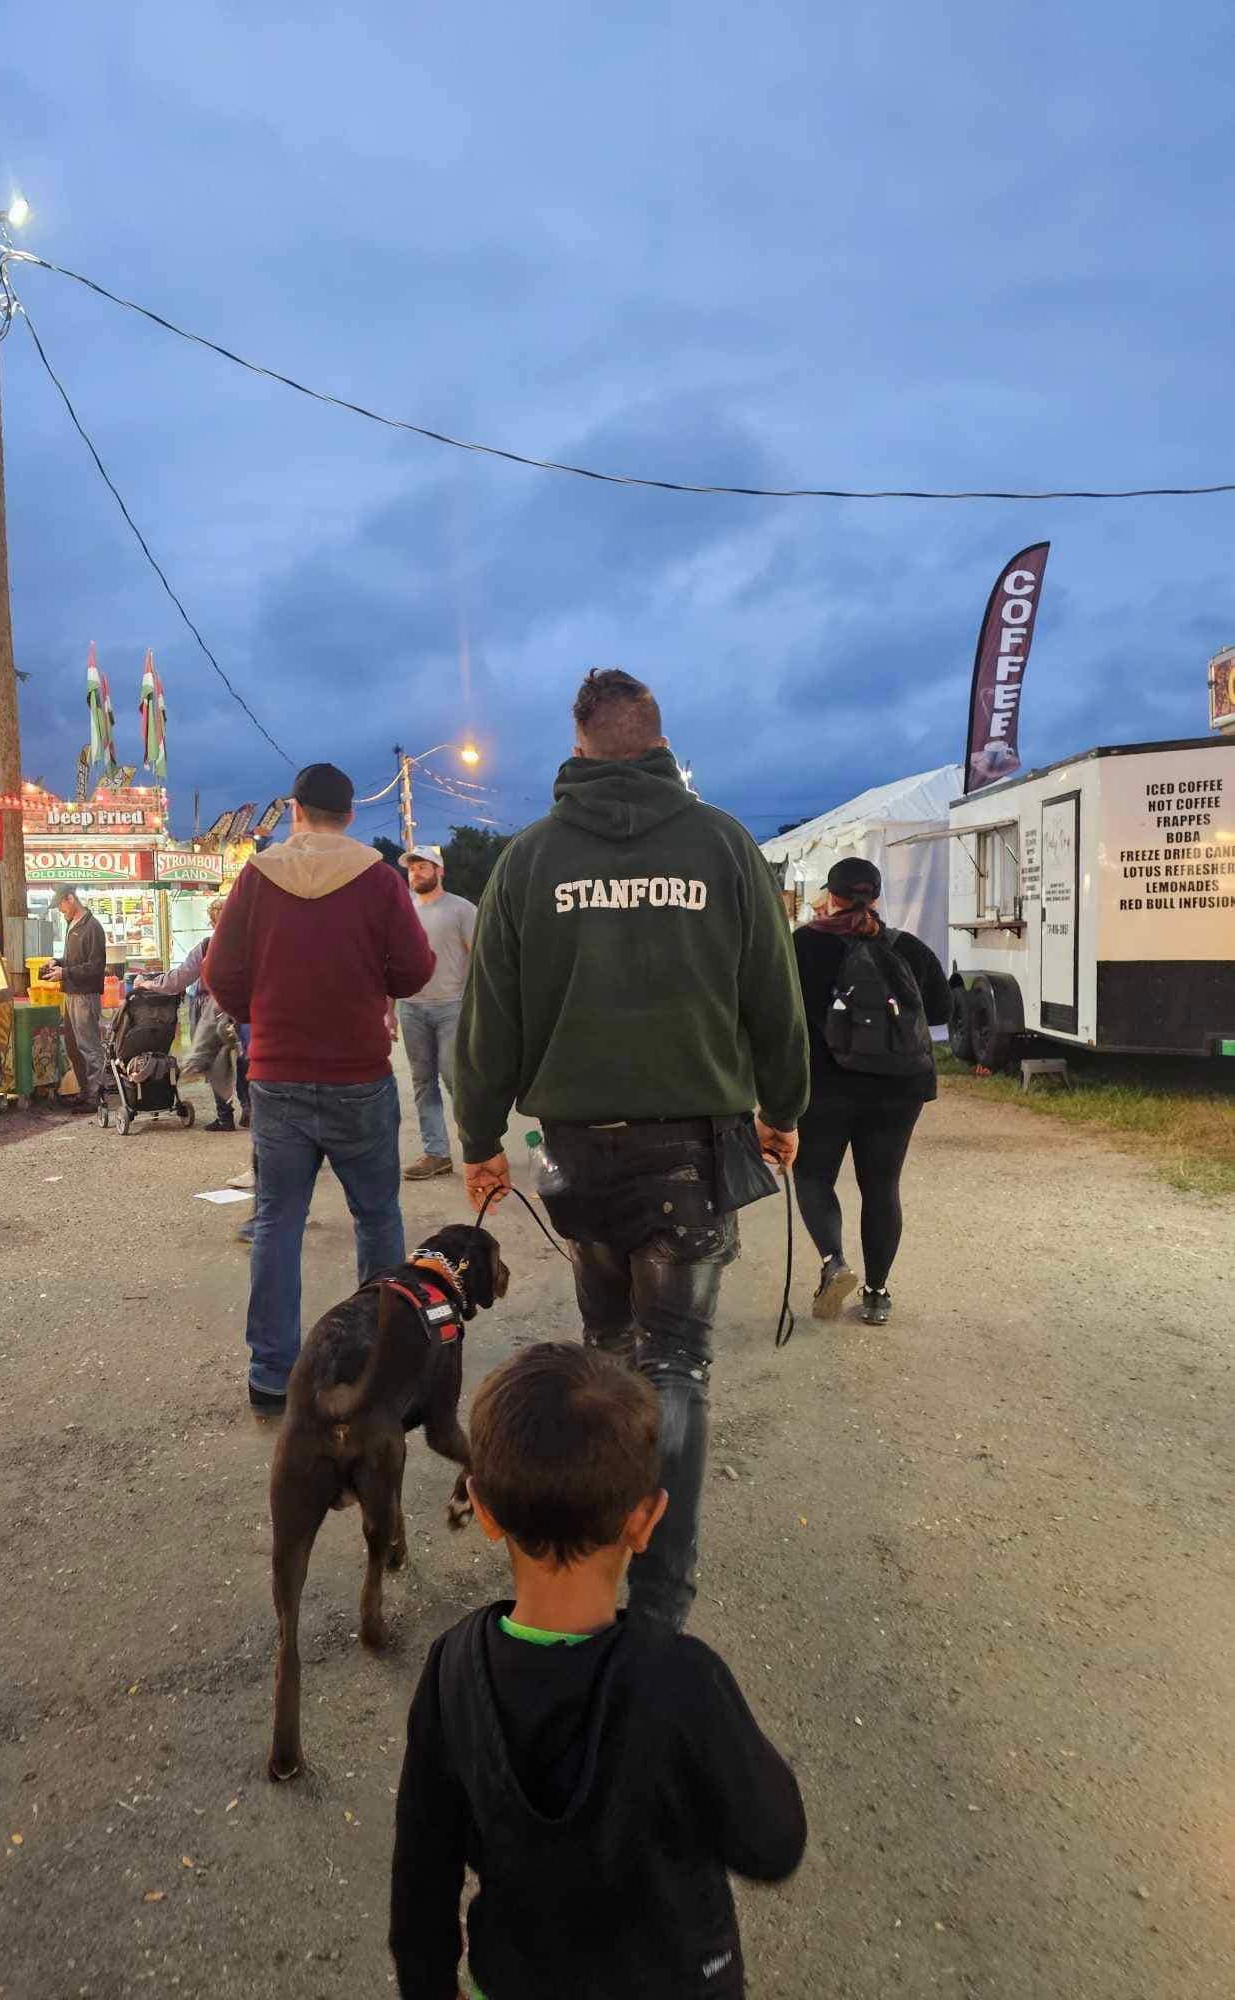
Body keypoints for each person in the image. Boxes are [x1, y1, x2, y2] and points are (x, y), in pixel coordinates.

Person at [454, 667, 809, 1632]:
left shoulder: (528, 861)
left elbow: (486, 1025)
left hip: (575, 1158)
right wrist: (784, 1111)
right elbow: (776, 1002)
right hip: (692, 1159)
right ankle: (658, 1603)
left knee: (609, 1355)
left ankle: (590, 1575)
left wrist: (480, 1139)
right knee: (678, 1366)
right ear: (657, 745)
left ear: (578, 747)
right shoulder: (727, 847)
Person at [389, 1342, 806, 2000]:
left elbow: (422, 1875)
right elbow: (774, 1843)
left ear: (485, 1513)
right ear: (645, 1522)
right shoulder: (684, 1680)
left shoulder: (452, 1671)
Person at [203, 762, 434, 1412]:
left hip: (277, 1078)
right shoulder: (378, 878)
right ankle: (377, 1361)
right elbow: (415, 970)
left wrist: (265, 1015)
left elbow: (221, 973)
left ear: (296, 810)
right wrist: (372, 984)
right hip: (358, 1075)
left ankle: (272, 1376)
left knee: (279, 1221)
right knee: (378, 1217)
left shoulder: (257, 875)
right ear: (352, 815)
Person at [791, 856, 950, 1326]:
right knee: (881, 1186)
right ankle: (878, 1294)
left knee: (814, 1177)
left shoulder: (802, 946)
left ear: (831, 896)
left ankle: (833, 1262)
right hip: (899, 1087)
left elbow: (780, 1016)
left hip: (825, 1084)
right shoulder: (909, 948)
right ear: (877, 896)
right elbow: (940, 1010)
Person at [397, 842, 476, 1180]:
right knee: (422, 1081)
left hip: (451, 1006)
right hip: (412, 1007)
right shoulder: (402, 911)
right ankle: (436, 1154)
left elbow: (478, 958)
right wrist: (388, 1010)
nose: (416, 871)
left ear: (439, 870)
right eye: (412, 867)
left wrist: (477, 1006)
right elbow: (393, 961)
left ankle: (478, 1146)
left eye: (423, 866)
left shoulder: (461, 909)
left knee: (453, 1076)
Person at [133, 897, 241, 1130]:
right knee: (243, 1061)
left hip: (212, 1012)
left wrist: (148, 984)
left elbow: (178, 979)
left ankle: (225, 1117)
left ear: (213, 923)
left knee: (215, 1062)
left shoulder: (206, 947)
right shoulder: (249, 945)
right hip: (240, 1010)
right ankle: (251, 1110)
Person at [41, 887, 107, 1114]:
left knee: (89, 1045)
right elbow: (74, 960)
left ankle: (96, 1095)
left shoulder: (92, 927)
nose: (61, 911)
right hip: (71, 993)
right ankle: (85, 1090)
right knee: (72, 1045)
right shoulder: (73, 926)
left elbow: (96, 966)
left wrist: (65, 973)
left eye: (61, 905)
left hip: (85, 995)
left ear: (70, 899)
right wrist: (57, 962)